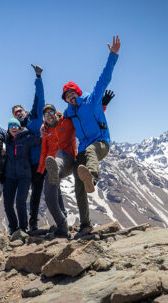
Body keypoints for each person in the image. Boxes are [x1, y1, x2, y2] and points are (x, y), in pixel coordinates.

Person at [62, 35, 121, 238]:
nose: (70, 97)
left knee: (89, 152)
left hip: (101, 143)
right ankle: (85, 225)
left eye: (72, 94)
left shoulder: (91, 99)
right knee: (78, 187)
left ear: (77, 92)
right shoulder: (69, 112)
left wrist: (112, 55)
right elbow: (57, 123)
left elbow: (104, 78)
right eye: (67, 96)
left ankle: (92, 179)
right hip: (84, 152)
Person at [0, 115, 41, 234]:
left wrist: (44, 133)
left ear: (19, 127)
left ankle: (23, 227)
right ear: (9, 128)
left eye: (16, 125)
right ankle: (13, 226)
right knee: (8, 203)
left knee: (21, 201)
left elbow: (40, 139)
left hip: (24, 175)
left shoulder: (27, 137)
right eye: (11, 126)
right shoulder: (6, 137)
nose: (13, 127)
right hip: (10, 176)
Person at [8, 65, 47, 232]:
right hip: (28, 165)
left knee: (48, 191)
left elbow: (40, 97)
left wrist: (38, 77)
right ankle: (31, 223)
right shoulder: (17, 131)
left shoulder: (35, 115)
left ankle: (59, 219)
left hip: (43, 159)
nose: (19, 114)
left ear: (24, 110)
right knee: (32, 194)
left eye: (20, 111)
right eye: (15, 113)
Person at [38, 104, 77, 238]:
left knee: (58, 156)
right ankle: (62, 227)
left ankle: (54, 168)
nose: (49, 115)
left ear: (56, 113)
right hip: (52, 167)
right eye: (46, 114)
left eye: (51, 112)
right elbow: (44, 152)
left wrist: (104, 106)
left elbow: (86, 117)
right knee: (49, 198)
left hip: (68, 160)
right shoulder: (46, 131)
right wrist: (41, 169)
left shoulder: (66, 122)